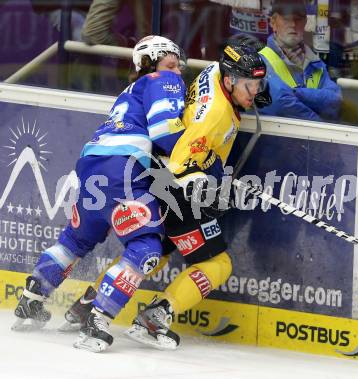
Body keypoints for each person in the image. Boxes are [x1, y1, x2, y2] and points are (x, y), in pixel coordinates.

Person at [62, 42, 268, 351]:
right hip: (179, 188)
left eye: (257, 84)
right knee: (218, 263)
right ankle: (155, 317)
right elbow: (183, 158)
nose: (254, 91)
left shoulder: (217, 72)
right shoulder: (215, 116)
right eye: (249, 85)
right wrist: (209, 182)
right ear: (229, 80)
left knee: (156, 252)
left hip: (158, 180)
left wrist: (254, 87)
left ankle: (89, 301)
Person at [12, 35, 186, 353]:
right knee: (147, 247)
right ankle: (98, 320)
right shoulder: (163, 81)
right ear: (151, 64)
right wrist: (192, 160)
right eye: (171, 63)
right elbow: (166, 133)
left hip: (92, 164)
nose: (177, 71)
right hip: (123, 170)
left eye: (178, 65)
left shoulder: (128, 92)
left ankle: (31, 300)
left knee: (75, 240)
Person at [258, 0, 341, 122]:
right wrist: (319, 125)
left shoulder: (316, 64)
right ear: (273, 22)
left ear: (305, 23)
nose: (292, 24)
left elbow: (335, 101)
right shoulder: (260, 61)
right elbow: (279, 103)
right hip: (273, 139)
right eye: (286, 19)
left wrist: (295, 93)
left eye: (298, 19)